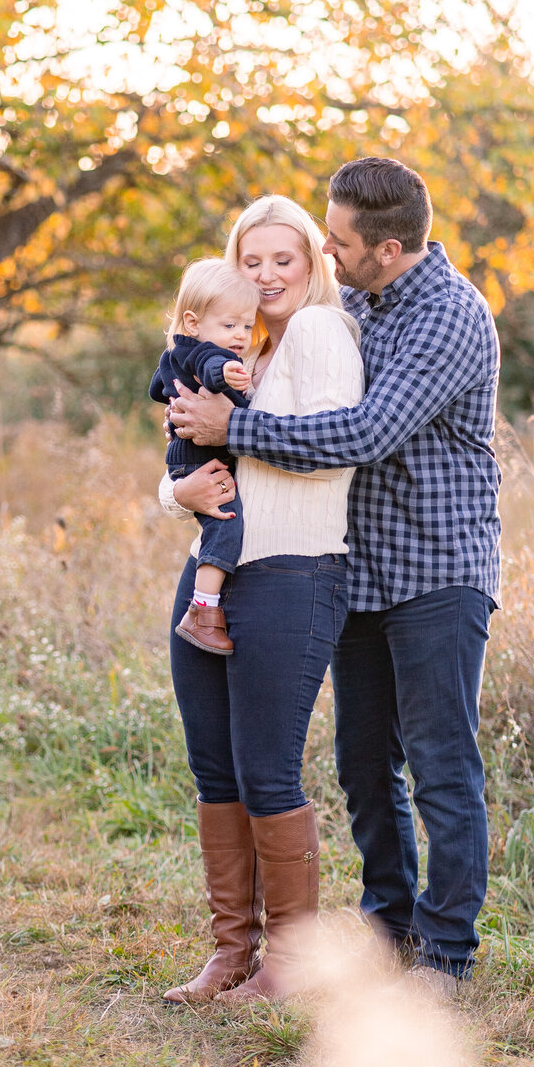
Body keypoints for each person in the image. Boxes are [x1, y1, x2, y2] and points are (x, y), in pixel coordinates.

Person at [168, 157, 501, 996]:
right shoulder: (348, 301)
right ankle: (387, 931)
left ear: (387, 248)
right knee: (362, 763)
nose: (324, 248)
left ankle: (448, 953)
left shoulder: (448, 317)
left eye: (337, 240)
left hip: (435, 564)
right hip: (359, 567)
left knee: (440, 762)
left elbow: (362, 434)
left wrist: (232, 424)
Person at [159, 196, 363, 1004]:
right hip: (211, 568)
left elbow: (332, 453)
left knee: (266, 771)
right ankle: (230, 951)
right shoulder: (238, 345)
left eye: (286, 259)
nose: (268, 274)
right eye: (253, 260)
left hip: (292, 571)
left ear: (313, 265)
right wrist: (184, 493)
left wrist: (222, 434)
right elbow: (178, 461)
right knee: (216, 767)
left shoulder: (318, 333)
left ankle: (292, 965)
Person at [149, 258, 259, 656]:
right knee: (226, 523)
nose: (241, 336)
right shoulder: (207, 355)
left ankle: (204, 607)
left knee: (221, 522)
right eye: (230, 325)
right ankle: (203, 611)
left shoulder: (177, 351)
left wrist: (174, 399)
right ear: (193, 323)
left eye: (247, 326)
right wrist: (227, 373)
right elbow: (211, 367)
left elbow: (155, 388)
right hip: (199, 461)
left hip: (187, 458)